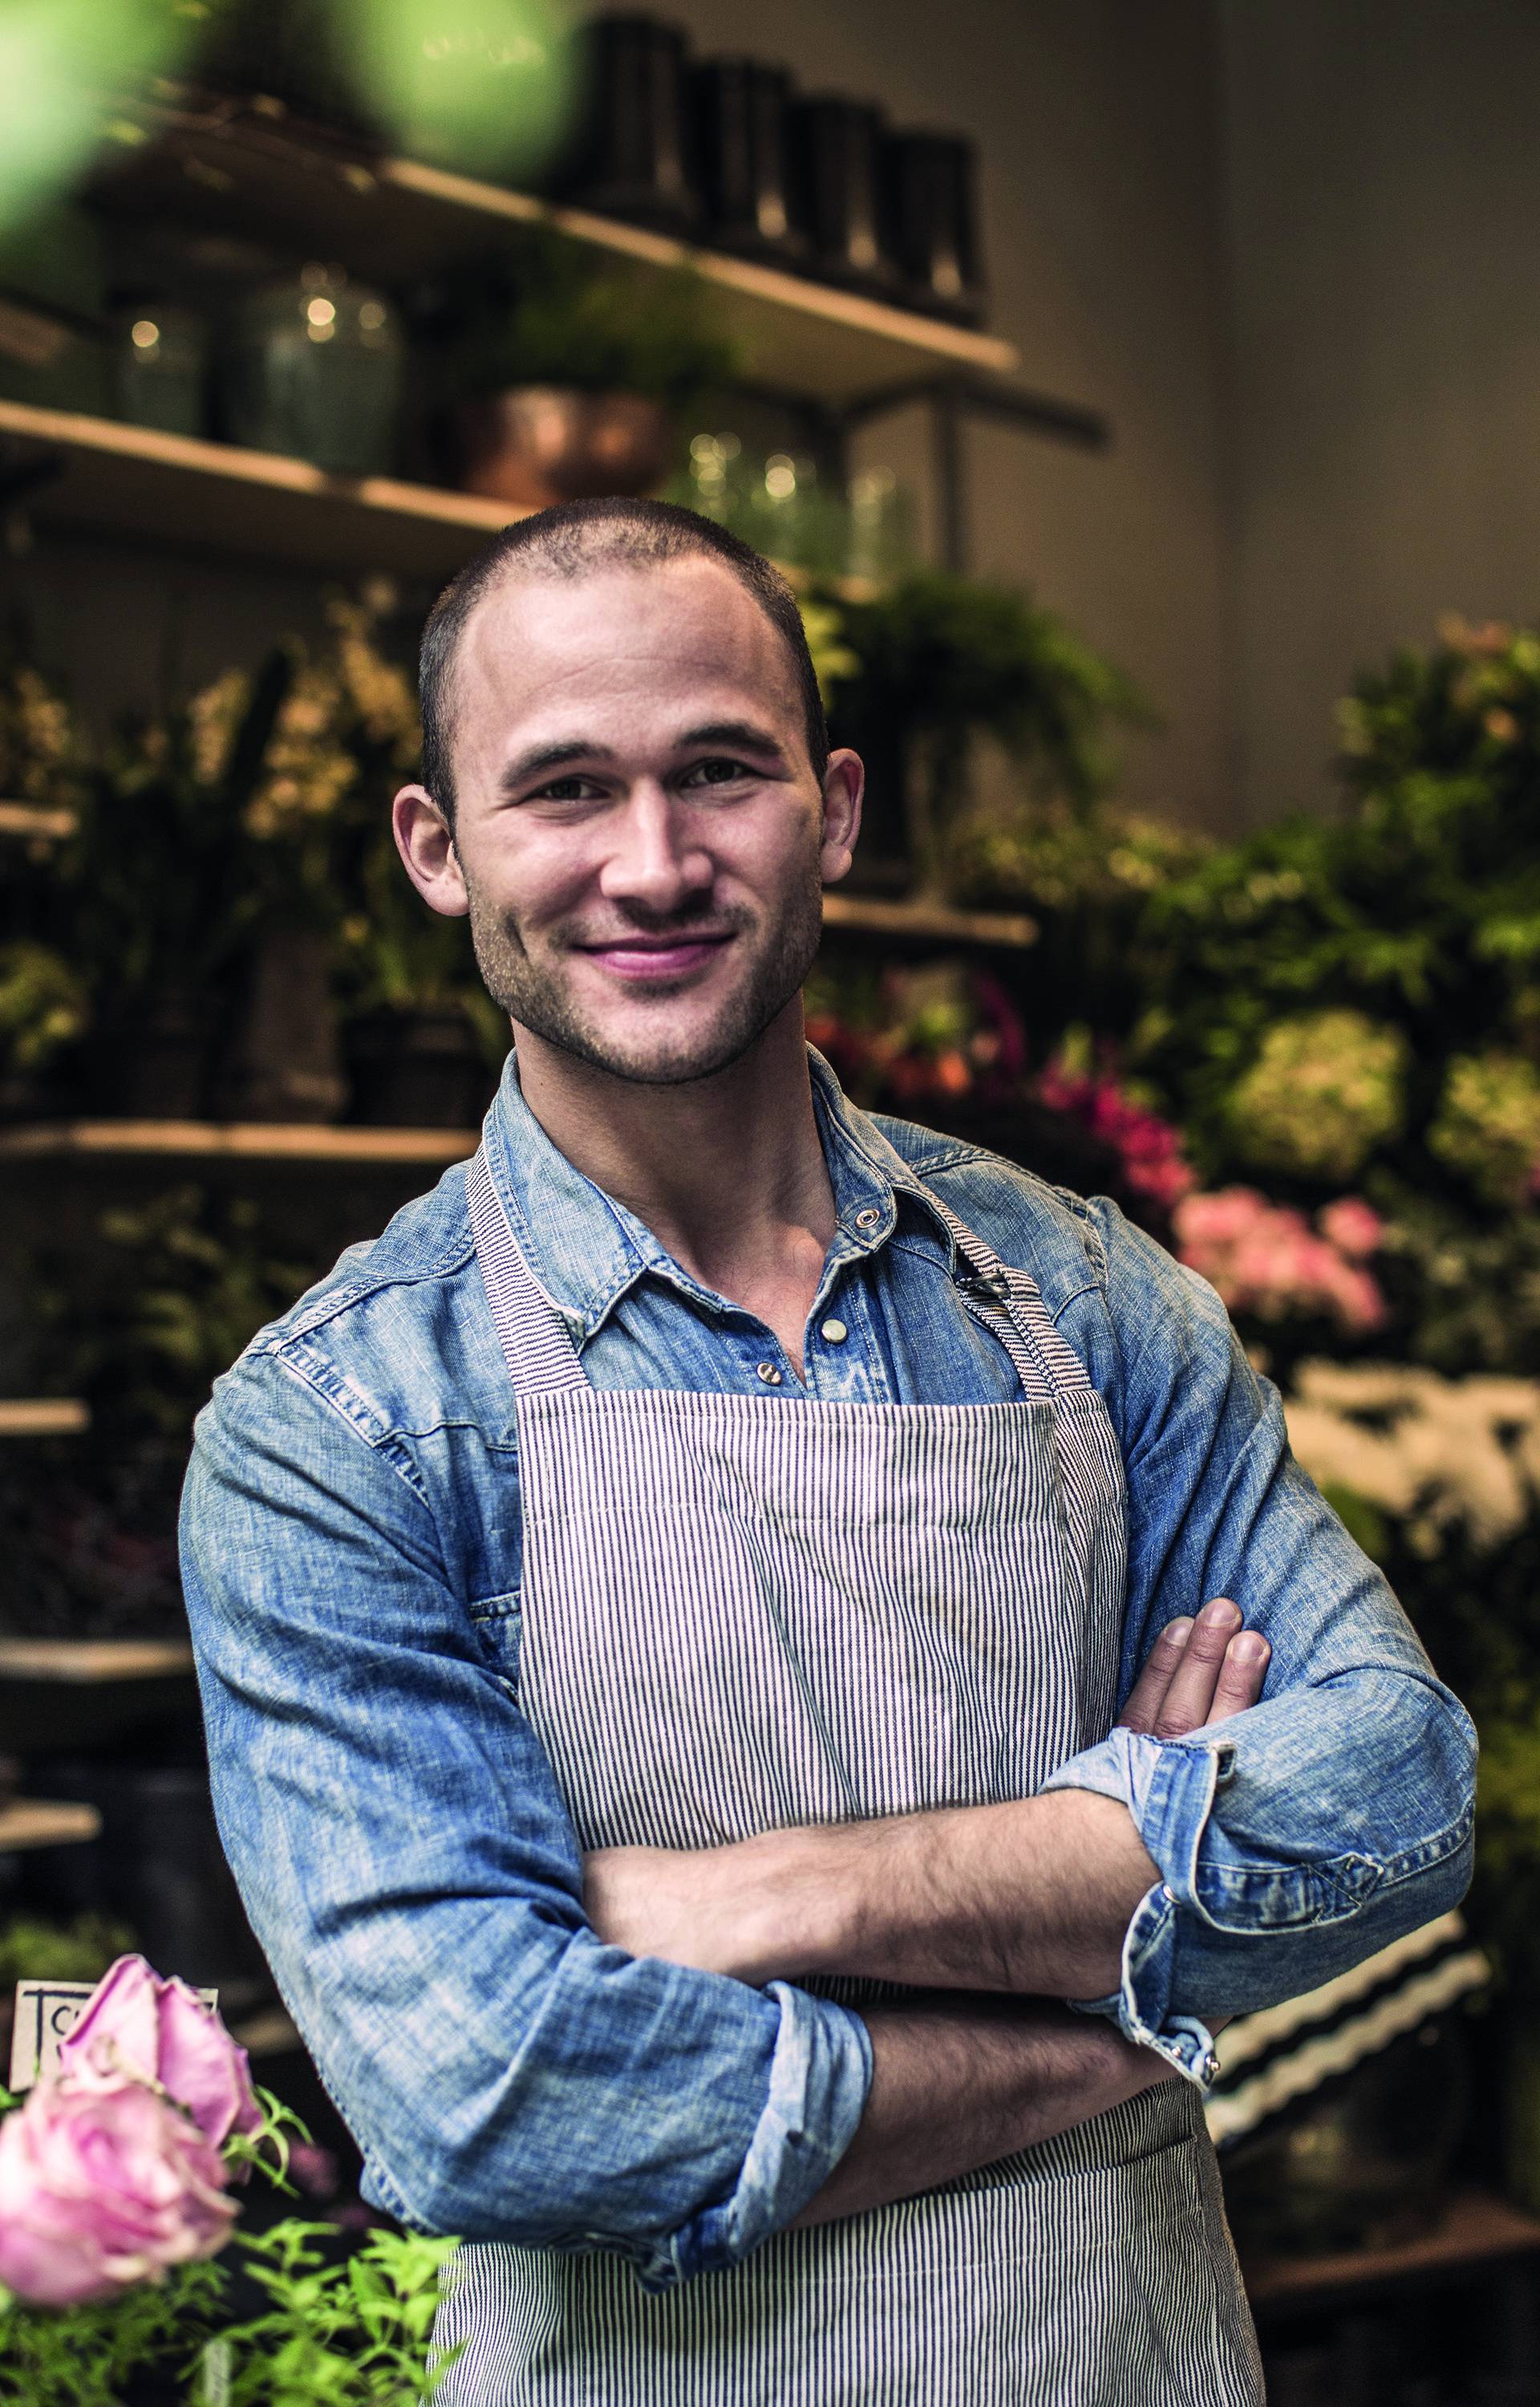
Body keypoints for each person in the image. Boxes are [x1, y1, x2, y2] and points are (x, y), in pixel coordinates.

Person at [180, 500, 1476, 2406]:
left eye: (722, 770)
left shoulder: (1087, 1300)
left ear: (835, 809)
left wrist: (776, 1896)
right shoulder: (342, 1426)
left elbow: (1395, 1792)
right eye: (563, 790)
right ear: (439, 854)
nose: (653, 861)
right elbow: (493, 2095)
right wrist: (1110, 1996)